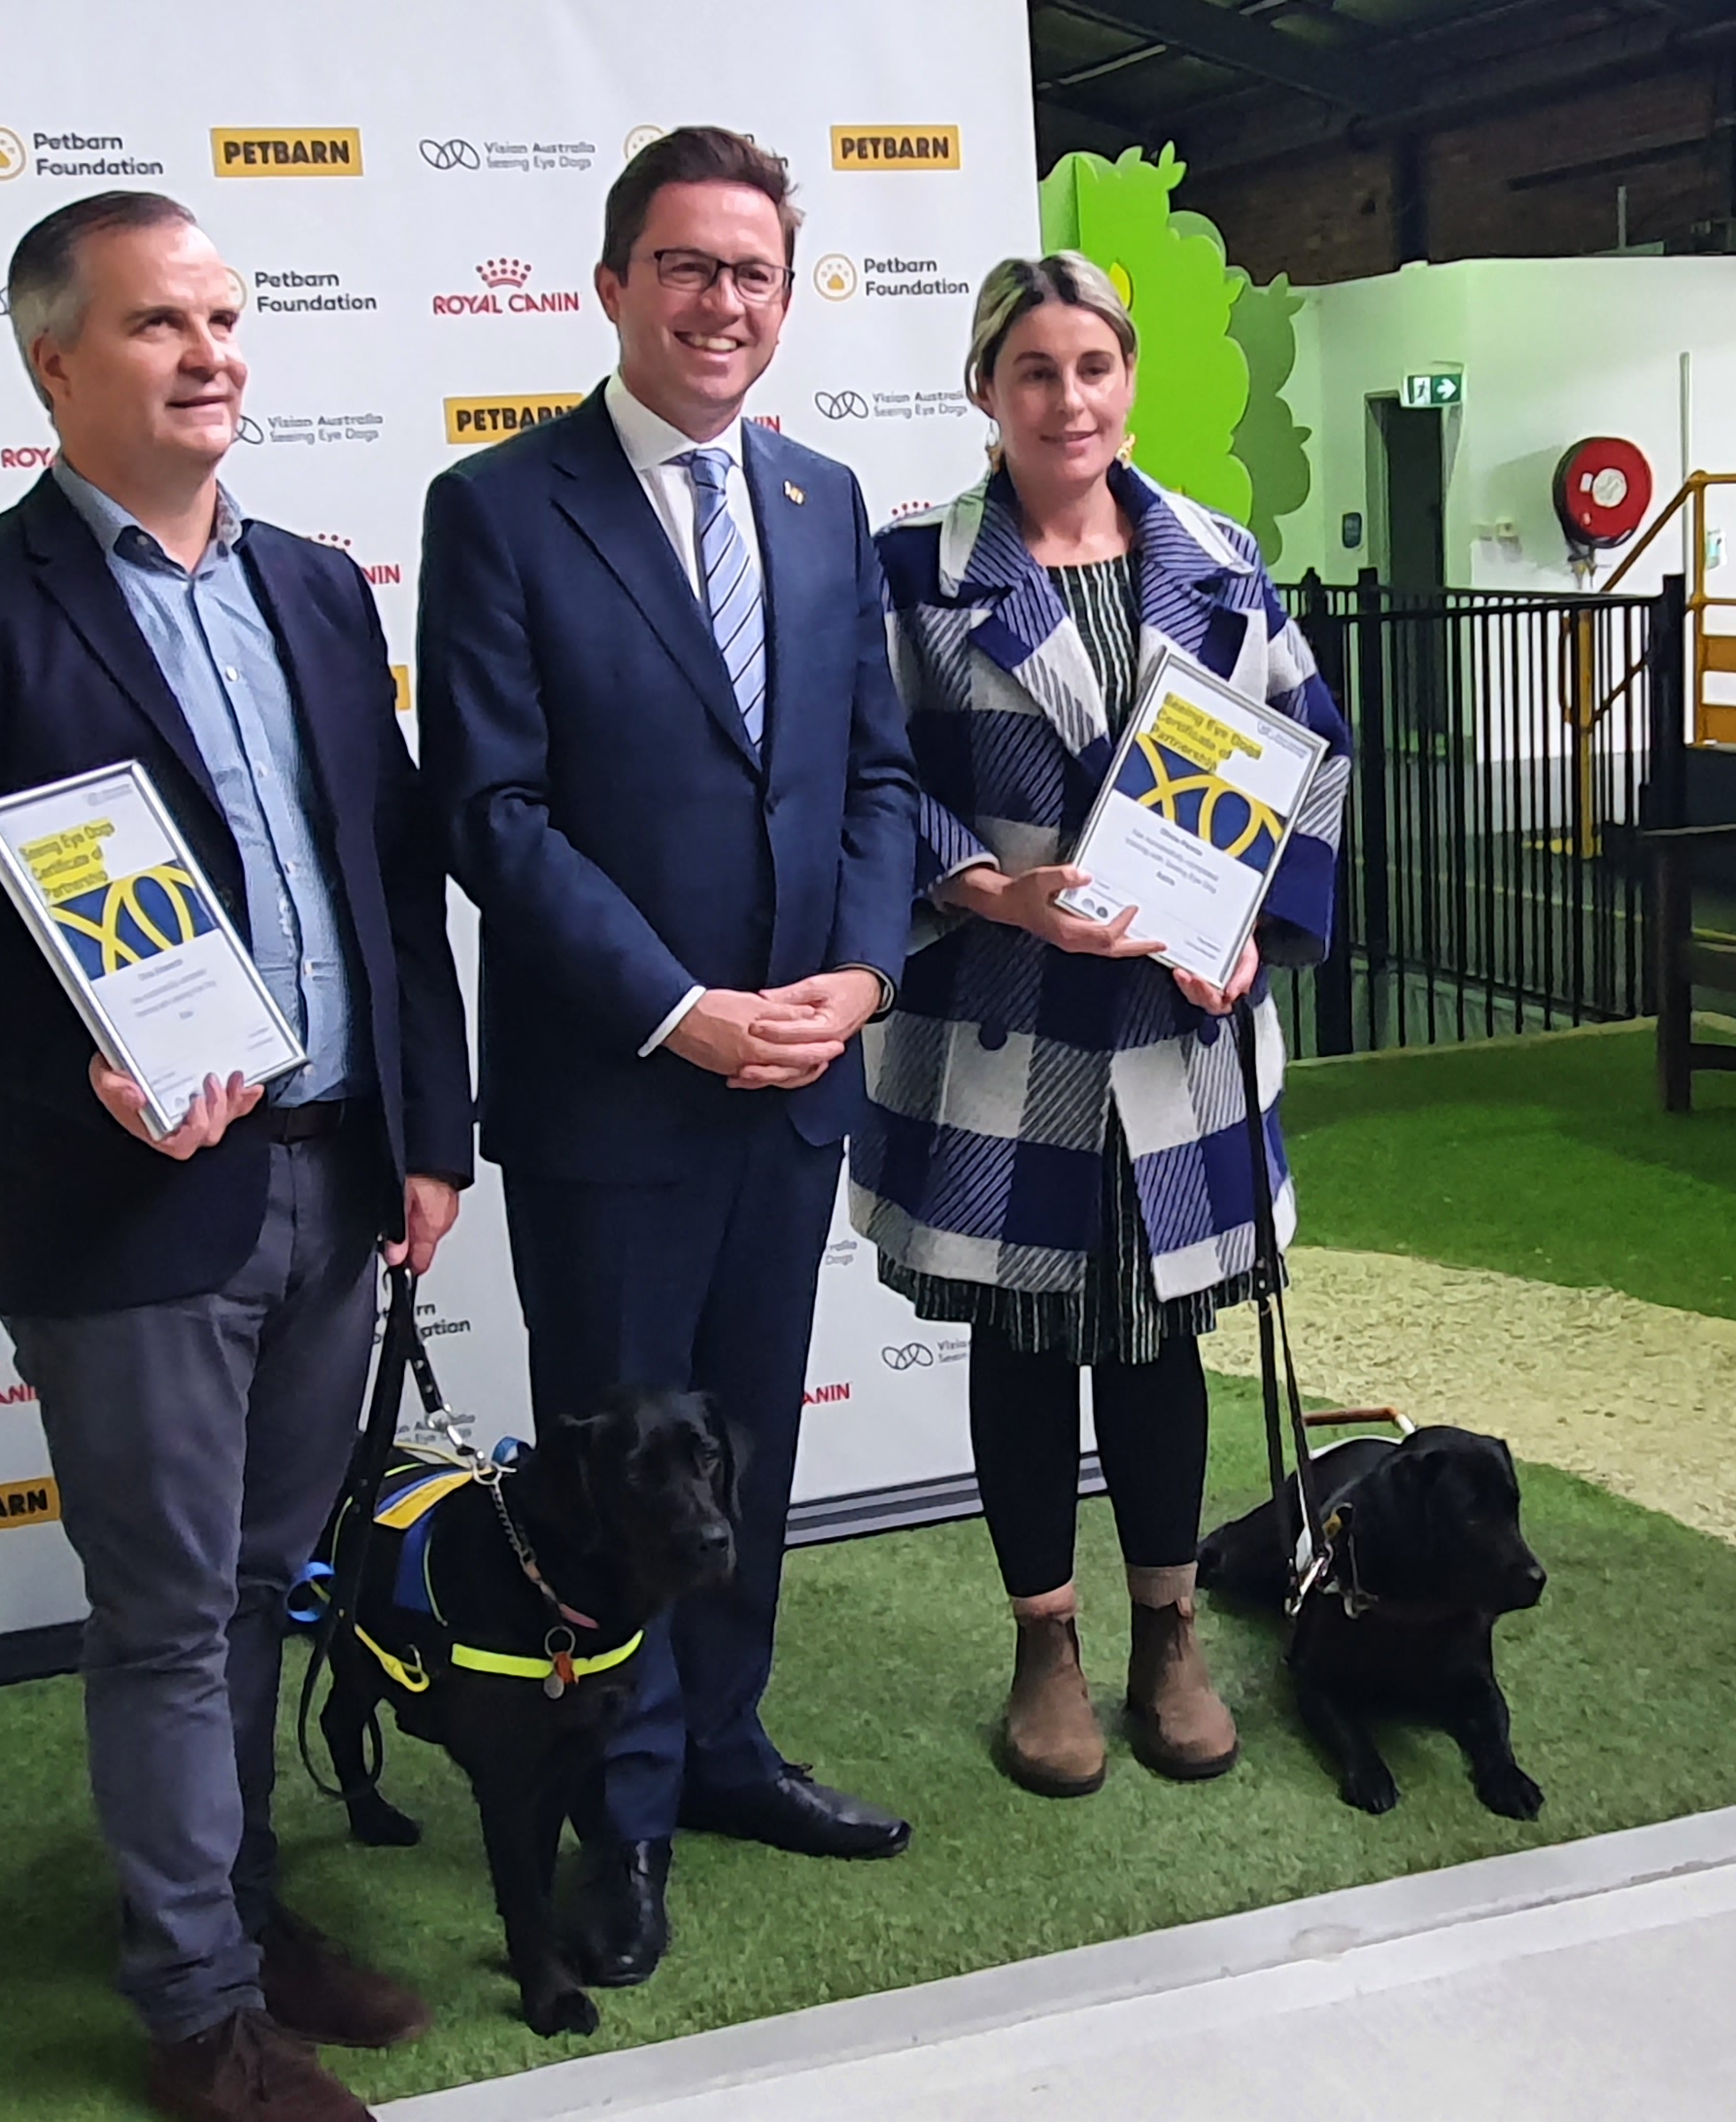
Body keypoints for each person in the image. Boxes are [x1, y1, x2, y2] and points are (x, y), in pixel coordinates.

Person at [0, 191, 470, 2122]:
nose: (210, 351)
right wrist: (80, 1066)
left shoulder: (308, 583)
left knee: (263, 1584)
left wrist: (428, 1133)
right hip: (127, 1197)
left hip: (326, 1171)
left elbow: (388, 872)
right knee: (166, 1614)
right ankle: (198, 2017)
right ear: (52, 362)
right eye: (155, 324)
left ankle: (248, 1920)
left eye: (224, 314)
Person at [412, 125, 922, 1992]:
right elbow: (494, 807)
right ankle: (618, 1814)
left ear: (787, 302)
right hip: (616, 1095)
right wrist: (679, 1005)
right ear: (612, 281)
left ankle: (722, 1744)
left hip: (793, 1088)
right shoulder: (498, 505)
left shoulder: (820, 500)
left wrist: (857, 978)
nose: (723, 303)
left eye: (755, 275)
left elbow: (876, 773)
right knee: (612, 1475)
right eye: (689, 267)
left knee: (748, 1450)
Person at [851, 255, 1352, 1797]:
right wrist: (990, 889)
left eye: (1093, 368)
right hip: (1007, 1025)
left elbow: (1311, 756)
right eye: (1034, 371)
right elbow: (868, 789)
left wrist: (1255, 935)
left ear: (1128, 379)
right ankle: (1044, 1648)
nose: (1068, 400)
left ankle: (1171, 1635)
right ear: (984, 390)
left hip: (1178, 1030)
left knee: (1154, 1344)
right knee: (1021, 1348)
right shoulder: (912, 574)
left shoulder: (1221, 555)